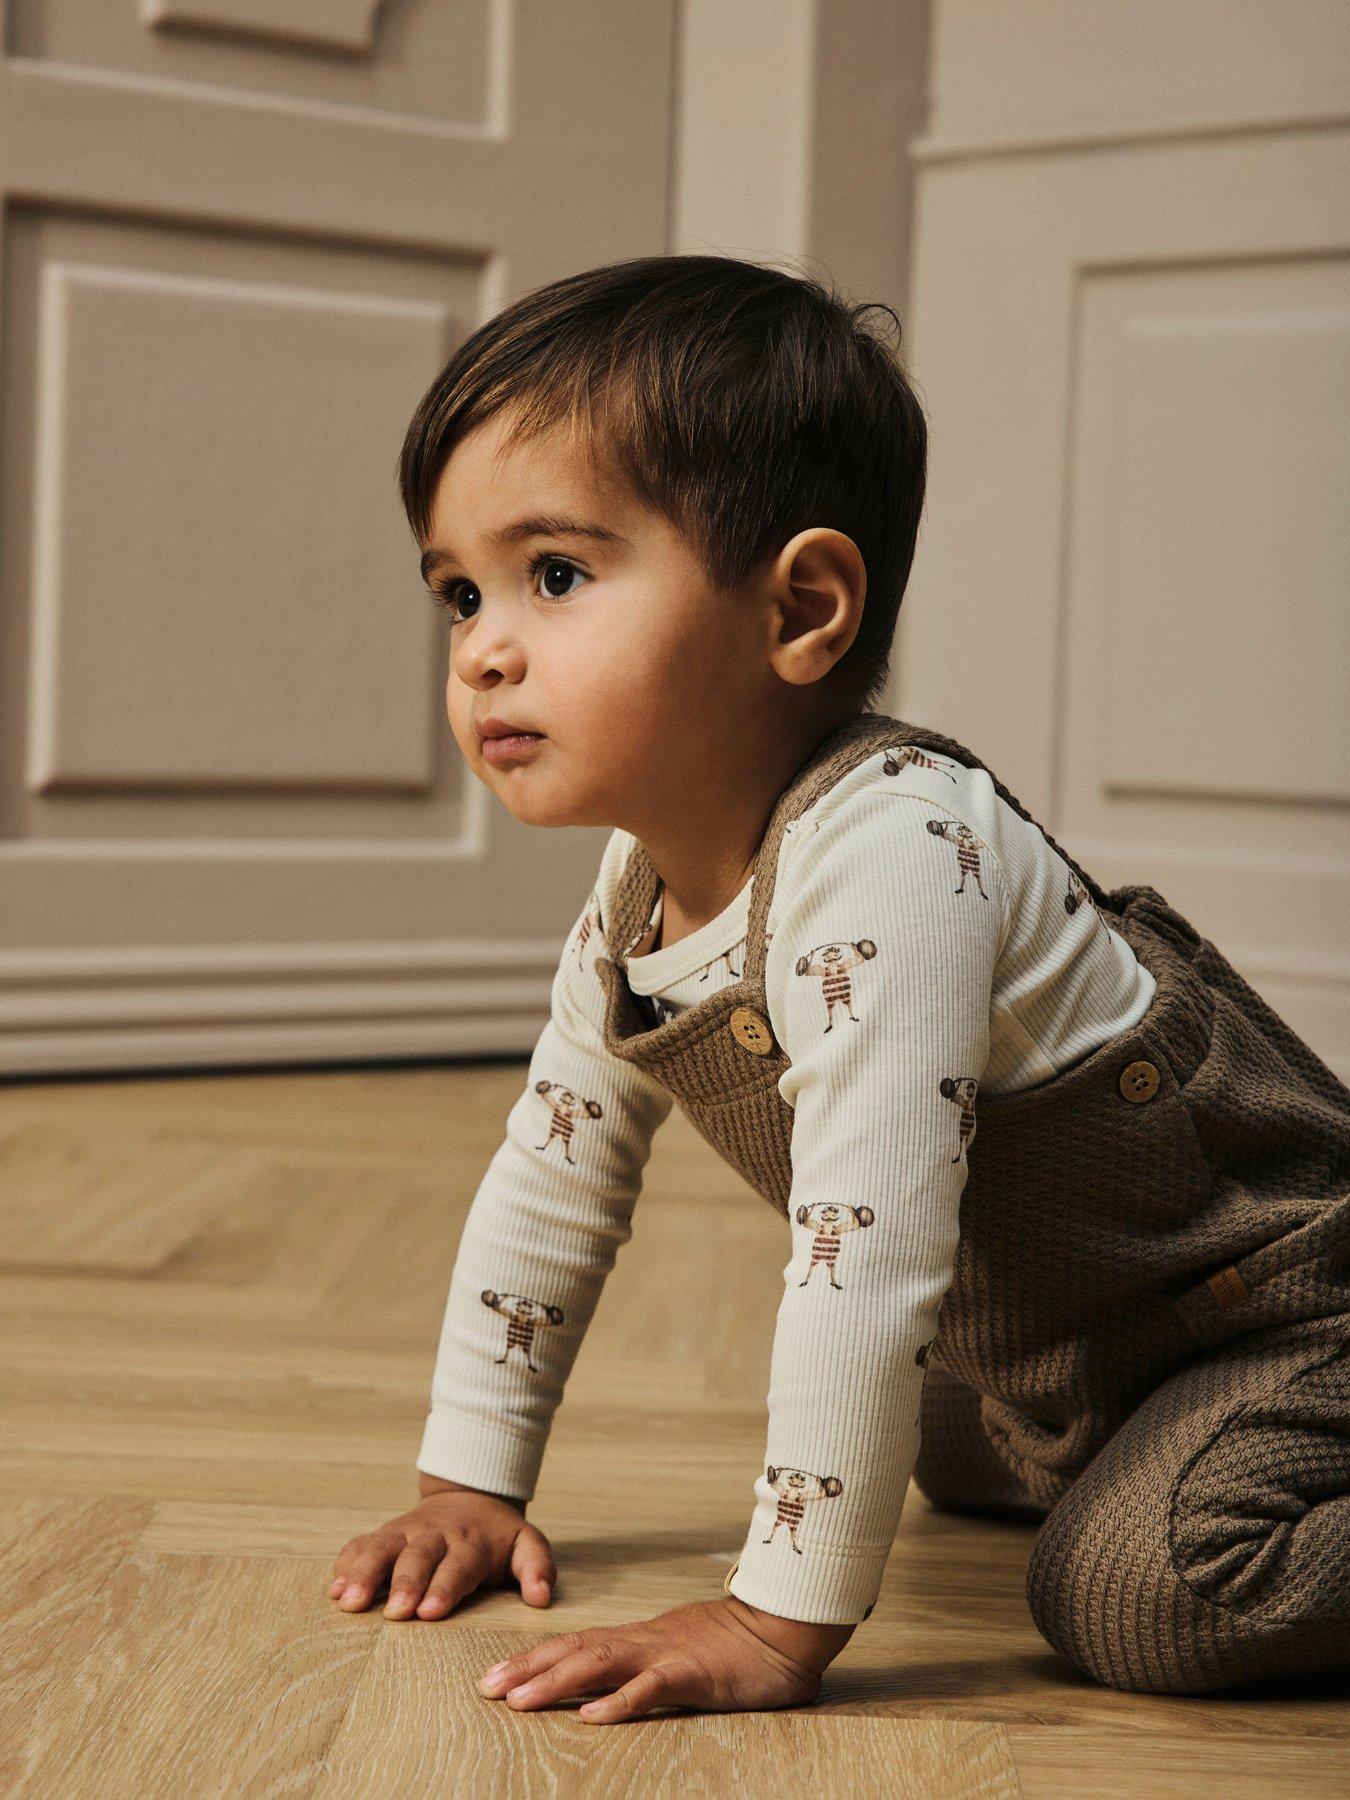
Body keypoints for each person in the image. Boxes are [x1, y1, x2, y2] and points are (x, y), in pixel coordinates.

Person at [327, 255, 1350, 1718]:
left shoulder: (899, 853)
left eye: (554, 576)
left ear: (801, 608)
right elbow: (553, 1179)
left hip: (1281, 1315)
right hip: (1083, 1338)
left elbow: (865, 1253)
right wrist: (471, 1485)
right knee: (938, 1432)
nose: (484, 649)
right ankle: (1114, 1434)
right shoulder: (637, 884)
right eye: (457, 592)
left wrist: (773, 1621)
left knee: (1139, 1591)